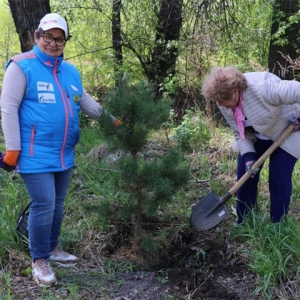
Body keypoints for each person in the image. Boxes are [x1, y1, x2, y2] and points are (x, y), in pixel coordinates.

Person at [0, 13, 121, 287]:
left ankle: (52, 248)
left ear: (65, 41)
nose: (53, 43)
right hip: (33, 152)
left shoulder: (70, 71)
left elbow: (85, 101)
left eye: (60, 38)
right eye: (48, 37)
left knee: (57, 203)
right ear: (37, 36)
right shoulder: (21, 67)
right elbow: (7, 109)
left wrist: (113, 121)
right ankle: (39, 259)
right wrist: (12, 150)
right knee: (44, 203)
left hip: (63, 152)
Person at [201, 66, 300, 225]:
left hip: (288, 132)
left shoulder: (263, 88)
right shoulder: (223, 102)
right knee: (245, 176)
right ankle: (244, 220)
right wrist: (249, 156)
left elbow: (297, 90)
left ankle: (278, 224)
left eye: (223, 101)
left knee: (278, 178)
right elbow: (238, 132)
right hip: (256, 136)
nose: (222, 106)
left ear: (235, 91)